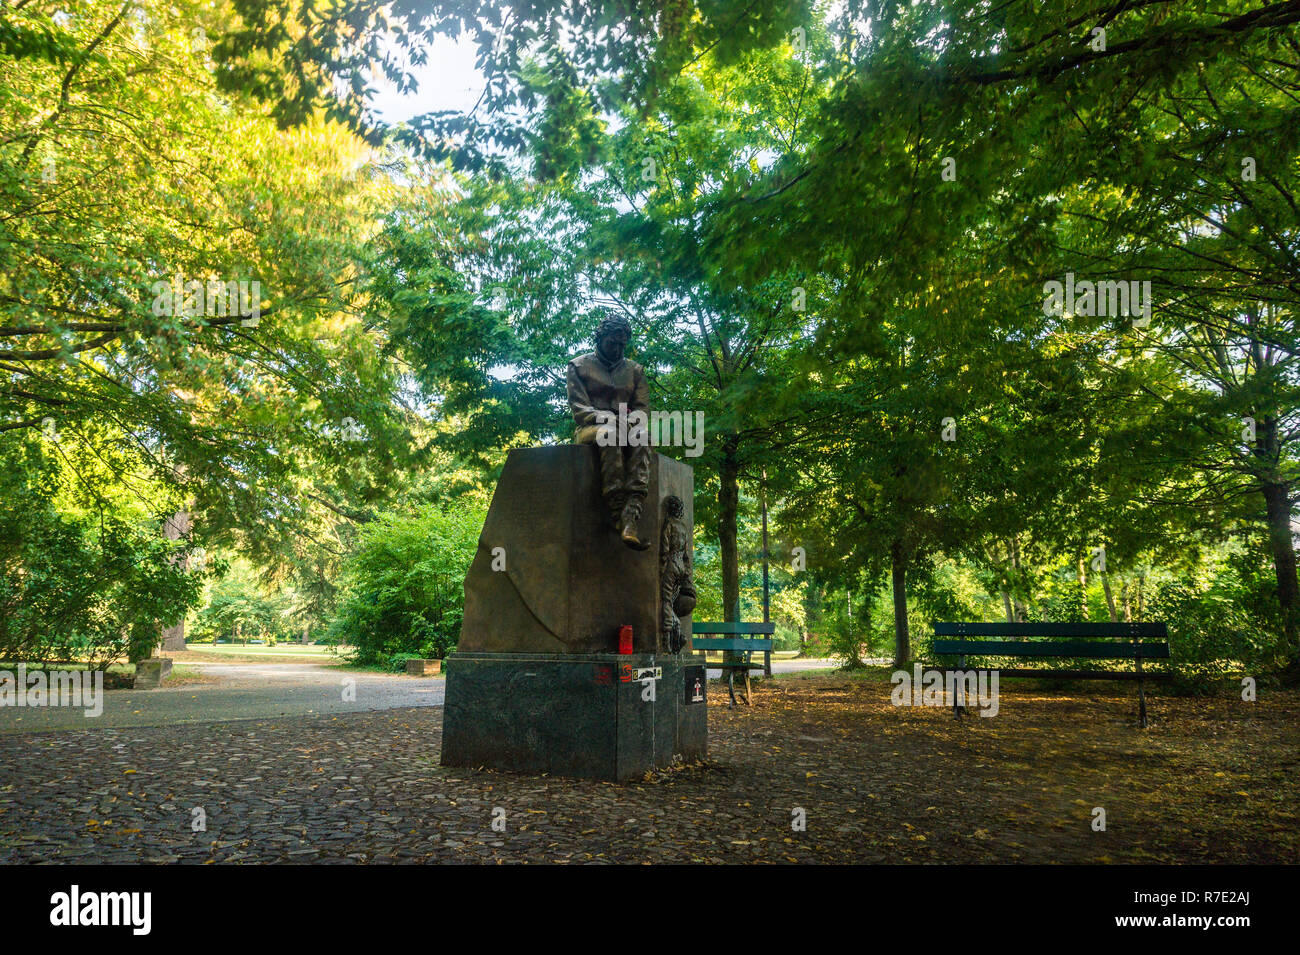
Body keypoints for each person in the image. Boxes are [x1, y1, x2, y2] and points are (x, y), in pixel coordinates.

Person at [566, 311, 651, 549]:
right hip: (591, 429)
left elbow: (642, 410)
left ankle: (631, 515)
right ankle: (616, 511)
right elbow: (579, 409)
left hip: (626, 427)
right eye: (611, 343)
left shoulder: (635, 370)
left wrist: (630, 421)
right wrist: (607, 418)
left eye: (621, 345)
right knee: (609, 434)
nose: (616, 349)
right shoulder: (578, 366)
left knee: (643, 435)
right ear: (600, 338)